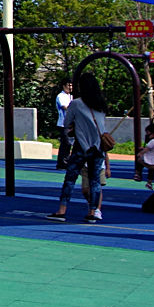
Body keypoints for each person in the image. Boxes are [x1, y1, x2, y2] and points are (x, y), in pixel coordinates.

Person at [48, 73, 108, 223]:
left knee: (70, 179)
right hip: (98, 147)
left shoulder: (76, 103)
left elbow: (67, 122)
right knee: (95, 181)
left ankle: (62, 210)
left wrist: (76, 125)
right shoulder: (101, 104)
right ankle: (93, 211)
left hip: (81, 146)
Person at [54, 78, 75, 171]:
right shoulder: (61, 96)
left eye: (71, 85)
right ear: (64, 86)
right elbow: (64, 106)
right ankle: (62, 163)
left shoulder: (72, 96)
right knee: (65, 143)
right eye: (68, 85)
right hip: (64, 123)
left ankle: (68, 161)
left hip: (72, 123)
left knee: (71, 143)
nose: (70, 87)